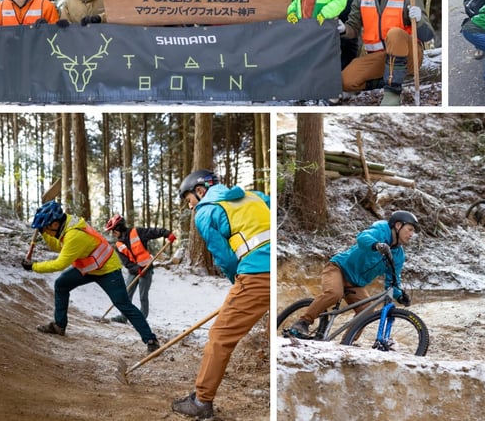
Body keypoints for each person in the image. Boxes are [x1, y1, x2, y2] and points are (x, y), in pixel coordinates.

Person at [171, 170, 271, 419]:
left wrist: (238, 283)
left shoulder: (206, 211)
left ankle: (202, 401)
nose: (190, 205)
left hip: (256, 273)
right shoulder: (254, 196)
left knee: (220, 336)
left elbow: (224, 257)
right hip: (277, 266)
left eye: (189, 199)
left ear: (200, 191)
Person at [21, 201, 158, 352]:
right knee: (61, 284)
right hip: (88, 267)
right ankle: (59, 325)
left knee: (123, 304)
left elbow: (59, 264)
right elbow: (56, 245)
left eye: (46, 228)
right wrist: (43, 232)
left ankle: (150, 339)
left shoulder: (74, 235)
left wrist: (33, 266)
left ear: (54, 224)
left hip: (107, 269)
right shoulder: (64, 225)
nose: (46, 231)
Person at [286, 209, 416, 332]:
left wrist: (399, 295)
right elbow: (362, 238)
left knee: (367, 311)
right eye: (409, 229)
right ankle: (303, 322)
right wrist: (376, 245)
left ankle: (347, 341)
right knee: (334, 293)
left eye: (413, 232)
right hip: (338, 269)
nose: (411, 235)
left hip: (356, 284)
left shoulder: (398, 255)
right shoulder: (381, 230)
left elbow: (393, 280)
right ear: (398, 225)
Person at [340, 0, 432, 106]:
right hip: (380, 58)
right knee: (345, 81)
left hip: (409, 56)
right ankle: (388, 80)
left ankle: (393, 92)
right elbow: (353, 28)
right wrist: (343, 29)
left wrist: (419, 20)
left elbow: (428, 35)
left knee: (395, 33)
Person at [103, 214, 175, 324]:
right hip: (133, 271)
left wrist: (167, 234)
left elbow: (153, 232)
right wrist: (136, 269)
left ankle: (142, 319)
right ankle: (123, 317)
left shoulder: (137, 232)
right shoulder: (118, 244)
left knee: (143, 296)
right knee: (126, 294)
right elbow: (126, 262)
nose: (113, 233)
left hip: (146, 269)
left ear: (119, 227)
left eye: (114, 230)